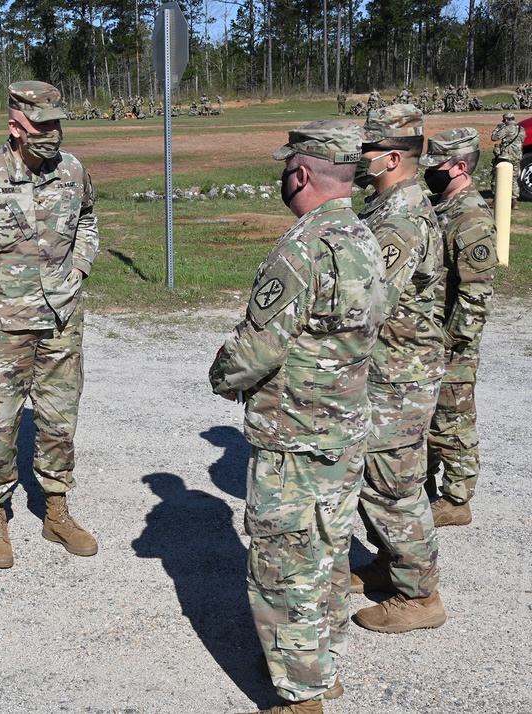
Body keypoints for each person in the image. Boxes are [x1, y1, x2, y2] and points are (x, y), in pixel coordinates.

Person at [209, 120, 387, 714]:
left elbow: (257, 348)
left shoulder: (302, 248)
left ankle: (301, 693)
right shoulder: (365, 237)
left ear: (302, 175)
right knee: (329, 548)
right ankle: (321, 661)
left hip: (294, 435)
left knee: (285, 563)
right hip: (343, 430)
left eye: (287, 168)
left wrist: (222, 375)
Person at [0, 80, 99, 570]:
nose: (52, 134)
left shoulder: (72, 170)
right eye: (41, 125)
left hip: (60, 320)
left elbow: (88, 220)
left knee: (58, 421)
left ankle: (56, 511)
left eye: (57, 123)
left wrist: (80, 267)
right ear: (15, 126)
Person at [350, 105, 446, 633]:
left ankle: (420, 595)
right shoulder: (386, 206)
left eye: (366, 150)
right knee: (380, 478)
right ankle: (391, 565)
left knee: (393, 487)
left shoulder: (400, 220)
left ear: (392, 157)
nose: (358, 157)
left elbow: (369, 300)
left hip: (399, 377)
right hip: (392, 371)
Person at [419, 128, 498, 527]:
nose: (429, 171)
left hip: (451, 342)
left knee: (453, 417)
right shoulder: (442, 207)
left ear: (461, 167)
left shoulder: (471, 218)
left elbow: (476, 293)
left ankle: (457, 498)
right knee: (430, 416)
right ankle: (426, 484)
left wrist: (453, 343)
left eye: (437, 165)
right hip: (431, 336)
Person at [490, 112, 525, 208]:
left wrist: (498, 128)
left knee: (497, 176)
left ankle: (495, 199)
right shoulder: (521, 129)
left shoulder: (506, 128)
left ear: (506, 120)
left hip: (506, 156)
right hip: (517, 156)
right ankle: (514, 201)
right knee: (514, 178)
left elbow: (494, 137)